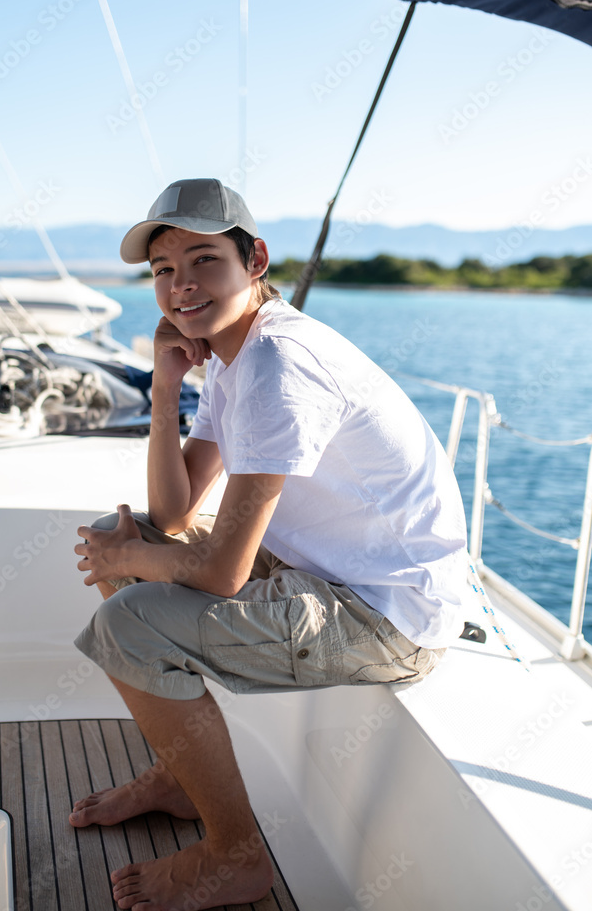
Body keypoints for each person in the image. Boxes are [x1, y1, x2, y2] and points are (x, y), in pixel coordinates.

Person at [70, 177, 469, 911]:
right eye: (163, 270)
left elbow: (220, 571)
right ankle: (177, 775)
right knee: (118, 536)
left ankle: (235, 857)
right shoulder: (230, 355)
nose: (179, 285)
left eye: (202, 261)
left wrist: (133, 560)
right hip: (325, 570)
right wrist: (165, 389)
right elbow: (174, 507)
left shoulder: (277, 366)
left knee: (127, 618)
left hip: (385, 613)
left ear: (253, 259)